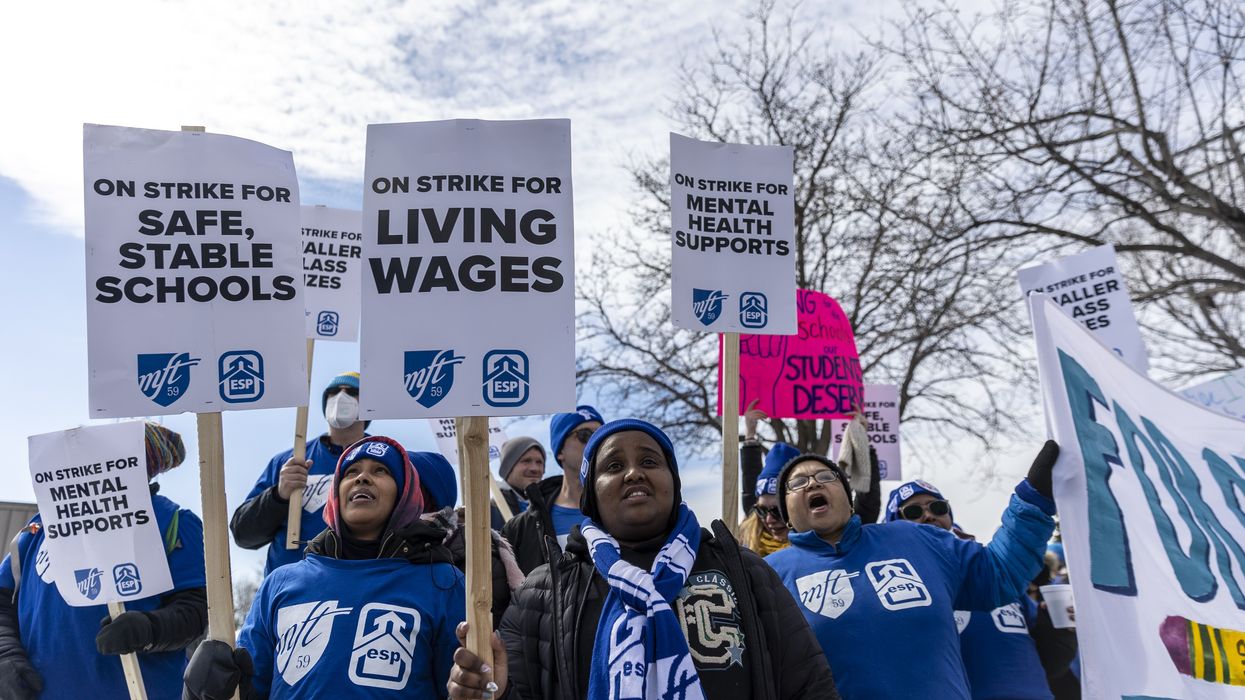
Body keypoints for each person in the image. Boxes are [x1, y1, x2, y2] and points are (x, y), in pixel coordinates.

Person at [448, 419, 839, 700]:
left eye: (650, 462)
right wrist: (490, 691)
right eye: (614, 466)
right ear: (590, 496)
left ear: (673, 481)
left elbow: (808, 684)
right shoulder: (543, 592)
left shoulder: (744, 570)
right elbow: (518, 691)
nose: (634, 472)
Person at [765, 443, 1060, 700]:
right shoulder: (768, 576)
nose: (813, 484)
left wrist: (1032, 501)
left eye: (826, 476)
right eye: (797, 482)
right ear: (787, 513)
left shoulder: (917, 540)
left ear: (848, 496)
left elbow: (999, 572)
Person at [185, 436, 465, 699]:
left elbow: (461, 687)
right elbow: (251, 686)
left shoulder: (442, 581)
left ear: (406, 495)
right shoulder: (281, 583)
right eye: (351, 472)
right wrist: (204, 687)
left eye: (381, 471)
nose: (362, 477)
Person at [0, 423, 206, 700]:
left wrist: (150, 628)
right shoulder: (39, 527)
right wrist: (5, 653)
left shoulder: (174, 521)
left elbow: (197, 609)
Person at [230, 371, 457, 574]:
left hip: (363, 583)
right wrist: (278, 495)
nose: (340, 397)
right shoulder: (290, 461)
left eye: (351, 392)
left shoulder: (391, 463)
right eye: (333, 392)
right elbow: (244, 534)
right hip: (291, 594)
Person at [886, 479, 1060, 700]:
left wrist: (1061, 630)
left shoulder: (991, 571)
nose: (929, 515)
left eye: (938, 507)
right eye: (912, 511)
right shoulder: (897, 593)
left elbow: (1051, 659)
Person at [501, 405, 603, 574]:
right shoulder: (521, 528)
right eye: (584, 436)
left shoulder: (623, 510)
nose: (595, 443)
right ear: (560, 450)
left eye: (600, 436)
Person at [738, 441, 799, 555]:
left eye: (778, 511)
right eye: (761, 511)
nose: (769, 519)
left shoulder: (824, 549)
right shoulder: (746, 551)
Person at [490, 437, 546, 530]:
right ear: (508, 468)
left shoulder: (552, 504)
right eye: (526, 461)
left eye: (539, 462)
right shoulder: (489, 511)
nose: (534, 468)